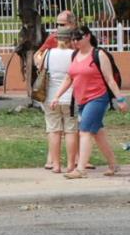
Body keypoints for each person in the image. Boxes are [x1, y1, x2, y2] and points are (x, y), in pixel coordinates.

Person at [49, 26, 128, 179]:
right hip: (82, 101)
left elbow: (110, 79)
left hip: (98, 98)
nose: (74, 42)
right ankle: (113, 165)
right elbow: (69, 78)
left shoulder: (99, 54)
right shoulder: (75, 55)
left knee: (84, 131)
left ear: (87, 36)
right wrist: (57, 96)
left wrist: (121, 99)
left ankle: (80, 169)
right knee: (98, 134)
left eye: (77, 38)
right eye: (72, 39)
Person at [34, 26, 78, 173]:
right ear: (70, 39)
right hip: (71, 97)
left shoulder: (47, 53)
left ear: (56, 39)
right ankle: (71, 165)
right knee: (70, 130)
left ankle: (56, 165)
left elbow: (40, 68)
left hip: (50, 97)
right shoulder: (75, 54)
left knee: (53, 131)